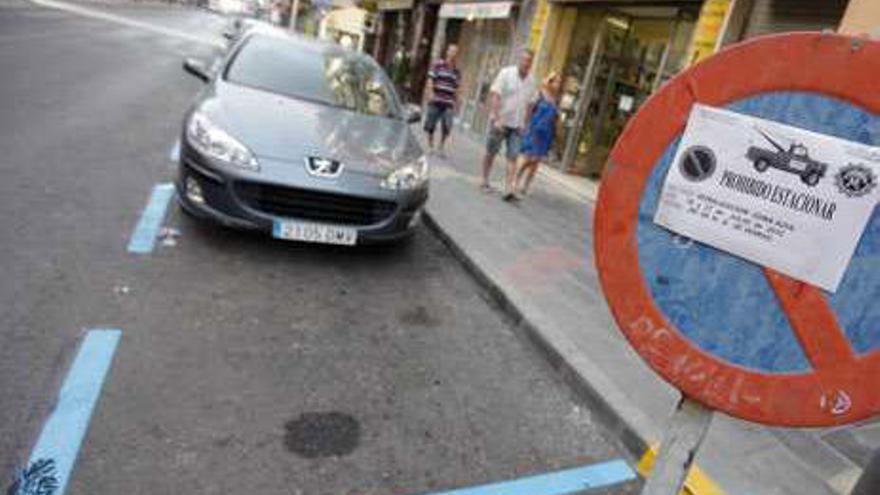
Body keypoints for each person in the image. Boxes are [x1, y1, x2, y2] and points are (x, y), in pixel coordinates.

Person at [481, 50, 536, 196]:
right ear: (519, 60)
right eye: (524, 59)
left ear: (532, 63)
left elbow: (530, 105)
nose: (526, 63)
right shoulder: (506, 73)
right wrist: (495, 116)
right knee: (491, 152)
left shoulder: (531, 81)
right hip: (501, 122)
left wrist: (526, 124)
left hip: (517, 126)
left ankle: (508, 189)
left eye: (529, 61)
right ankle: (484, 180)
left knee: (513, 156)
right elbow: (496, 94)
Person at [511, 71, 562, 200]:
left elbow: (554, 117)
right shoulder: (539, 94)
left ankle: (525, 186)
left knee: (536, 160)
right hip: (534, 130)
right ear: (550, 81)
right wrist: (525, 124)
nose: (558, 84)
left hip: (546, 133)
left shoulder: (555, 99)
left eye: (559, 82)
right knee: (529, 157)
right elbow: (529, 109)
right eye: (556, 81)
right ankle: (515, 179)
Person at [423, 44, 461, 157]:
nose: (453, 53)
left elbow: (457, 87)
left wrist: (457, 102)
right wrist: (430, 93)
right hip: (436, 100)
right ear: (447, 52)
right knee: (430, 125)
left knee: (447, 125)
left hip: (448, 102)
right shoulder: (438, 65)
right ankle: (430, 146)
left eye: (455, 52)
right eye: (451, 51)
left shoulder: (456, 70)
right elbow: (431, 79)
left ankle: (441, 147)